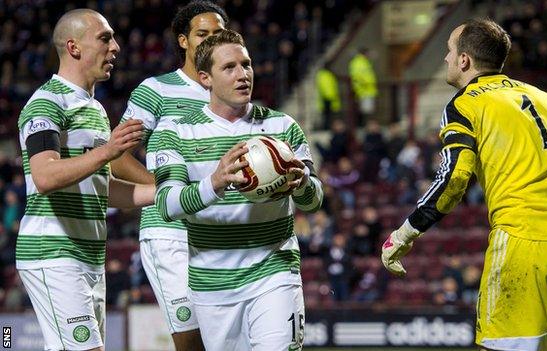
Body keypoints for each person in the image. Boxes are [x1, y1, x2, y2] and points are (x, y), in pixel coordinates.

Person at [381, 18, 547, 351]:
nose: (446, 59)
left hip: (523, 245)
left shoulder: (465, 104)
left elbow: (454, 179)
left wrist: (406, 233)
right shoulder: (545, 99)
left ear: (464, 60)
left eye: (449, 51)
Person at [154, 29, 323, 351]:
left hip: (274, 271)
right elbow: (166, 204)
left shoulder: (283, 127)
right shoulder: (175, 131)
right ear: (205, 78)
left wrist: (301, 184)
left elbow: (315, 199)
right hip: (212, 284)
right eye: (229, 67)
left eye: (246, 65)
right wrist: (214, 182)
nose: (243, 74)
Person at [16, 9, 154, 351]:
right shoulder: (47, 103)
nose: (116, 48)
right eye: (105, 38)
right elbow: (45, 175)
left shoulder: (94, 109)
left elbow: (101, 189)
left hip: (88, 256)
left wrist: (166, 193)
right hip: (52, 251)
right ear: (74, 47)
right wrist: (107, 152)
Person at [112, 2, 227, 349]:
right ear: (183, 41)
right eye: (202, 34)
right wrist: (169, 190)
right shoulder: (156, 90)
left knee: (225, 338)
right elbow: (117, 157)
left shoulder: (232, 91)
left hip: (222, 229)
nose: (211, 40)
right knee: (191, 340)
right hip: (169, 232)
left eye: (218, 34)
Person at [348, 47, 377, 126]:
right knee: (363, 112)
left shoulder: (364, 62)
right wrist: (365, 84)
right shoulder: (358, 62)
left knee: (367, 111)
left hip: (368, 89)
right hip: (363, 90)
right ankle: (362, 126)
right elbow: (356, 76)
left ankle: (366, 126)